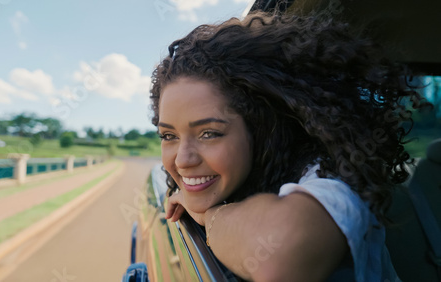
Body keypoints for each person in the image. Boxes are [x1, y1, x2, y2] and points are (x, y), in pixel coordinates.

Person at [149, 10, 428, 282]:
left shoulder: (330, 182)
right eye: (168, 136)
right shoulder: (241, 183)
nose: (183, 160)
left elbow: (279, 256)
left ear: (262, 129)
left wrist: (209, 216)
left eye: (209, 133)